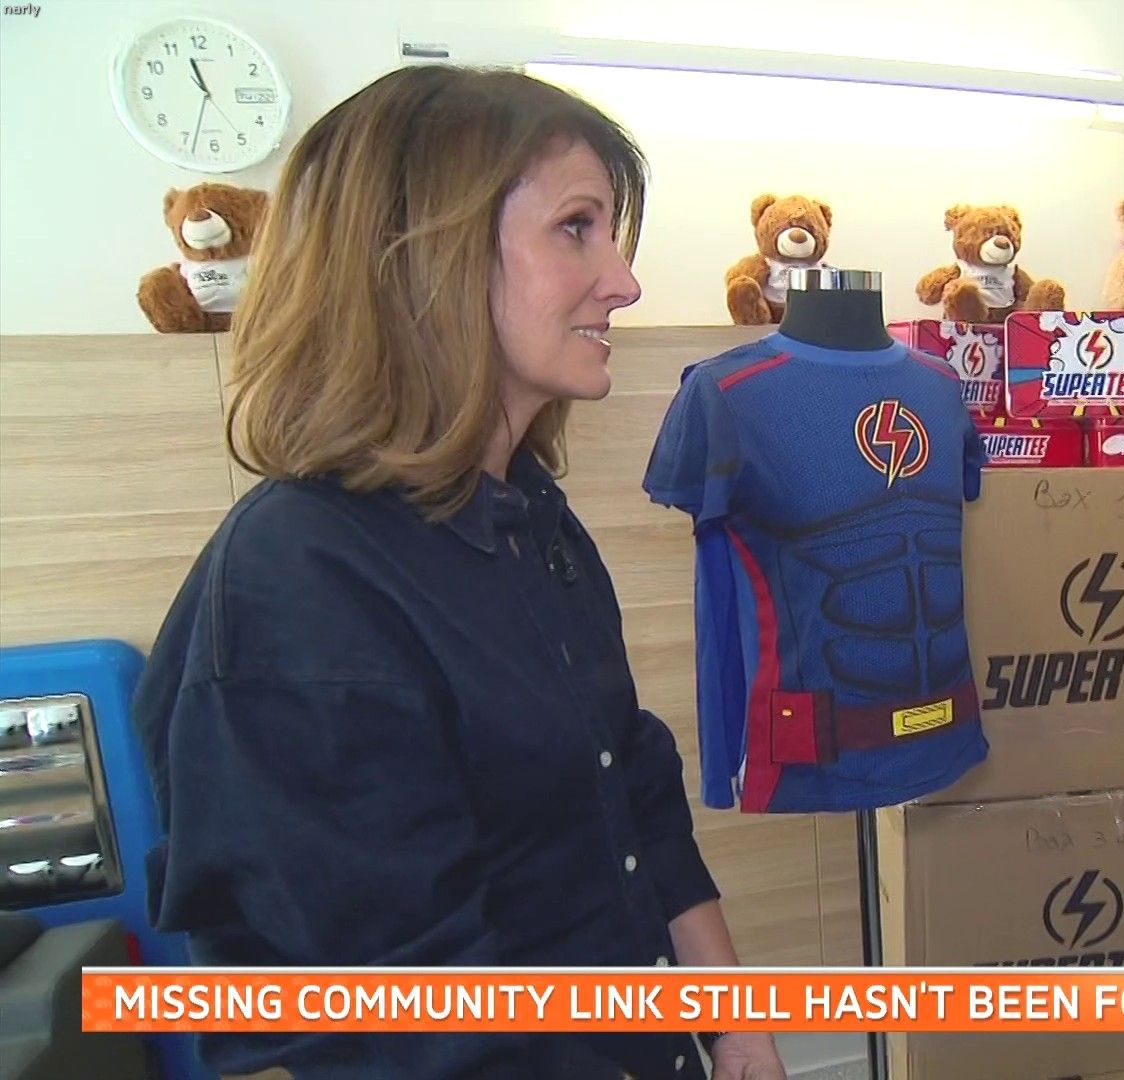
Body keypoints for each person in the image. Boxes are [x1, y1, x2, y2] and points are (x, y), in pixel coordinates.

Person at [131, 66, 786, 1080]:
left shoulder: (530, 517)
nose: (624, 281)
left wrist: (734, 1020)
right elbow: (408, 1024)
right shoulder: (297, 588)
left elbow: (633, 784)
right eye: (577, 228)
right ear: (425, 257)